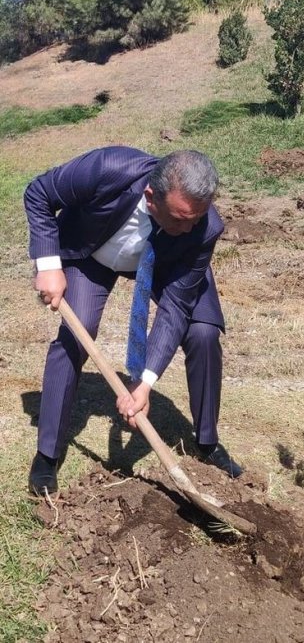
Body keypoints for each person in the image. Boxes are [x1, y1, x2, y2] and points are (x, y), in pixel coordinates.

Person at [25, 147, 243, 496]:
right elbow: (39, 193)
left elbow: (175, 308)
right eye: (180, 217)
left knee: (202, 332)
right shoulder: (108, 169)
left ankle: (206, 443)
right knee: (77, 333)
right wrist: (48, 264)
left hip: (168, 264)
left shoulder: (202, 229)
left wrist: (144, 383)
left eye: (196, 219)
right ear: (151, 197)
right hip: (91, 254)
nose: (189, 228)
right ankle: (48, 453)